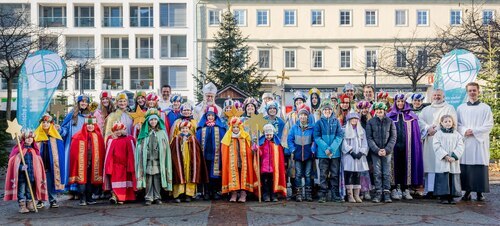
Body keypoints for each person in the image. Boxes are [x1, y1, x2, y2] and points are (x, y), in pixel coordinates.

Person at [457, 82, 494, 201]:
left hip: (479, 141)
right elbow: (457, 124)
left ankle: (479, 192)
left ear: (478, 91)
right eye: (470, 90)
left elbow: (489, 125)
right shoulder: (461, 108)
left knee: (479, 166)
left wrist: (474, 131)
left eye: (474, 90)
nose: (472, 92)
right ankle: (466, 191)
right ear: (467, 92)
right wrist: (464, 131)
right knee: (466, 166)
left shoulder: (485, 108)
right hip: (466, 141)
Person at [420, 89, 456, 198]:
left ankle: (442, 191)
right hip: (430, 141)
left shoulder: (449, 108)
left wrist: (436, 130)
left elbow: (452, 122)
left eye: (439, 95)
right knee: (430, 165)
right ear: (431, 96)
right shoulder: (426, 109)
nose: (436, 97)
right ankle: (430, 190)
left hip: (444, 142)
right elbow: (420, 121)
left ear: (443, 96)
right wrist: (427, 128)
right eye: (434, 95)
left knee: (442, 166)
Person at [386, 94, 424, 200]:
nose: (400, 104)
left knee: (406, 166)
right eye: (398, 101)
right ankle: (394, 188)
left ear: (405, 102)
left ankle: (405, 188)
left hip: (408, 146)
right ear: (395, 102)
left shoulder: (411, 117)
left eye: (402, 101)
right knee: (394, 167)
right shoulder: (390, 116)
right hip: (394, 147)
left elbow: (416, 134)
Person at [4, 130, 48, 213]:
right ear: (24, 139)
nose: (29, 139)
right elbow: (14, 163)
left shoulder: (34, 150)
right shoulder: (20, 150)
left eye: (31, 138)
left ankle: (30, 204)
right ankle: (22, 206)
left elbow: (38, 163)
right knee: (21, 191)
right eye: (27, 138)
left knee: (29, 191)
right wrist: (21, 167)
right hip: (22, 177)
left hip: (31, 176)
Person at [135, 109, 172, 205]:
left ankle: (157, 197)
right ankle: (148, 197)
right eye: (151, 120)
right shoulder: (144, 133)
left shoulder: (162, 133)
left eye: (155, 120)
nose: (153, 122)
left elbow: (166, 147)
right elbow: (139, 146)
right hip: (147, 161)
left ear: (158, 121)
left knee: (157, 179)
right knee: (148, 179)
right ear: (147, 121)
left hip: (158, 161)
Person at [69, 115, 105, 206]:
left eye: (92, 124)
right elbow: (73, 152)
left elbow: (101, 150)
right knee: (82, 181)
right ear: (85, 125)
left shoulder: (98, 136)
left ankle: (89, 197)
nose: (90, 126)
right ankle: (82, 198)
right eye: (88, 124)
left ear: (95, 125)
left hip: (93, 163)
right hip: (82, 163)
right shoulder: (78, 136)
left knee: (90, 181)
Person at [60, 94, 91, 198]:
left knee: (82, 167)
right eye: (82, 101)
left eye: (86, 102)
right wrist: (60, 130)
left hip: (84, 145)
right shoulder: (72, 114)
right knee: (72, 166)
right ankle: (72, 191)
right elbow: (64, 128)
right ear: (78, 103)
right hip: (72, 145)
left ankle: (80, 190)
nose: (84, 103)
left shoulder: (89, 116)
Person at [221, 117, 258, 203]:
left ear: (240, 127)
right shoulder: (227, 137)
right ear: (231, 128)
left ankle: (243, 193)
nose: (236, 129)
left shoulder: (245, 136)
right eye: (233, 127)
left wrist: (254, 148)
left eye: (237, 127)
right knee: (234, 176)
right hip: (232, 162)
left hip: (244, 161)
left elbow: (250, 149)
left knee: (243, 176)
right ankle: (233, 193)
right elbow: (224, 152)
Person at [170, 121, 208, 203]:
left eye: (186, 128)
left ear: (189, 129)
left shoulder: (193, 139)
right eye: (183, 128)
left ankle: (189, 194)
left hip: (190, 162)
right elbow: (173, 151)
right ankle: (179, 194)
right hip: (180, 161)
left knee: (190, 175)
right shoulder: (176, 138)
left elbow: (197, 153)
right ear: (180, 129)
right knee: (179, 174)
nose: (184, 130)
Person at [314, 100, 344, 203]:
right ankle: (323, 193)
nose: (327, 111)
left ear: (332, 110)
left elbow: (340, 136)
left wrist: (331, 149)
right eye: (325, 109)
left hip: (335, 153)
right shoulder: (318, 123)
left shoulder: (336, 122)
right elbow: (317, 137)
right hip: (323, 153)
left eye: (329, 109)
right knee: (323, 173)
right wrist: (326, 149)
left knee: (335, 174)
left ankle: (334, 193)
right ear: (322, 110)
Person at [366, 102, 397, 203]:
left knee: (386, 172)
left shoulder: (390, 122)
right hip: (375, 152)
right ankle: (378, 192)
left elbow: (393, 137)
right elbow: (369, 137)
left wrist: (387, 149)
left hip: (387, 151)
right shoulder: (370, 122)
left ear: (384, 111)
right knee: (377, 172)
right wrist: (377, 150)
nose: (379, 111)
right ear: (375, 111)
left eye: (381, 110)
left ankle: (387, 192)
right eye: (377, 110)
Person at [34, 113, 66, 208]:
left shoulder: (56, 136)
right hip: (40, 164)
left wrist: (59, 129)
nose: (45, 124)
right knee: (39, 181)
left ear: (51, 124)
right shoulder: (36, 136)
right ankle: (40, 200)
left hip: (51, 164)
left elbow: (64, 133)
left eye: (48, 122)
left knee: (51, 182)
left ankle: (52, 199)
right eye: (43, 122)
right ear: (41, 123)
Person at [196, 105, 227, 200]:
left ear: (215, 116)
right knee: (205, 173)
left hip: (216, 155)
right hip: (204, 155)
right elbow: (197, 141)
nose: (210, 117)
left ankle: (214, 191)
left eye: (212, 115)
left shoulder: (220, 128)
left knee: (215, 174)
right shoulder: (201, 128)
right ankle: (206, 192)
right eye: (208, 115)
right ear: (205, 116)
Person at [433, 115, 464, 204]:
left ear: (452, 123)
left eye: (449, 121)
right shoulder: (438, 134)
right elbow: (436, 146)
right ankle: (443, 197)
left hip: (453, 161)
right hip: (443, 160)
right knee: (443, 177)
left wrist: (454, 156)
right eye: (445, 121)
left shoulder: (457, 134)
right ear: (441, 123)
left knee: (452, 178)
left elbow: (460, 146)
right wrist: (445, 156)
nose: (448, 123)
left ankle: (452, 196)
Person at [103, 122, 137, 205]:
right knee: (116, 183)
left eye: (120, 130)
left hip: (126, 165)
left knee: (127, 183)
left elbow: (133, 153)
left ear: (124, 130)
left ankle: (127, 197)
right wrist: (109, 167)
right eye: (116, 130)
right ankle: (116, 197)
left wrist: (131, 165)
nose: (118, 132)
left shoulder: (130, 139)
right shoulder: (111, 139)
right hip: (116, 165)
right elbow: (108, 154)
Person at [287, 104, 315, 202]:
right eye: (301, 115)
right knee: (298, 174)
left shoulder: (312, 128)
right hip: (298, 154)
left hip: (308, 154)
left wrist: (313, 149)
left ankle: (308, 193)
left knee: (308, 174)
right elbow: (289, 139)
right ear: (298, 116)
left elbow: (315, 140)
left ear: (308, 117)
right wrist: (293, 150)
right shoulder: (294, 128)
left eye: (305, 115)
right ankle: (298, 193)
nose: (303, 117)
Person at [342, 111, 369, 203]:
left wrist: (361, 152)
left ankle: (357, 194)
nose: (354, 120)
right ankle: (350, 195)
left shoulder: (362, 130)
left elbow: (365, 142)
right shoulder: (344, 129)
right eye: (352, 119)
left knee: (357, 175)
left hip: (359, 156)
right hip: (349, 156)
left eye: (356, 119)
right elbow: (343, 143)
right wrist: (351, 151)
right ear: (349, 120)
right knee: (349, 174)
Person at [257, 124, 287, 202]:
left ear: (273, 134)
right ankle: (266, 195)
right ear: (264, 134)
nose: (269, 136)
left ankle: (273, 195)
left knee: (273, 182)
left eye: (270, 134)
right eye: (267, 135)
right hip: (264, 168)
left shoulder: (277, 144)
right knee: (265, 182)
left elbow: (279, 156)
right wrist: (256, 149)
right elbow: (259, 154)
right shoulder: (262, 143)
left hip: (274, 168)